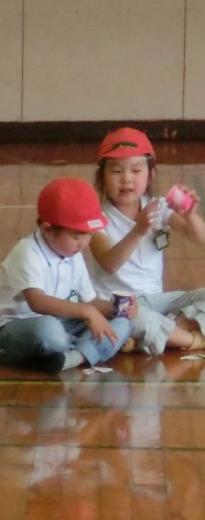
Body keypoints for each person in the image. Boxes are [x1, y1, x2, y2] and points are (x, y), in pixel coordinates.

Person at [0, 177, 135, 372]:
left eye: (89, 235)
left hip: (60, 322)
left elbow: (91, 302)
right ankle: (88, 349)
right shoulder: (27, 251)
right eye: (76, 236)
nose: (83, 243)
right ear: (47, 230)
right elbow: (37, 302)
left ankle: (72, 358)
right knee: (48, 329)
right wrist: (88, 313)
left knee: (122, 323)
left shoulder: (72, 253)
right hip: (12, 331)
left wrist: (119, 309)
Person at [86, 125, 205, 354]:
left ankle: (149, 334)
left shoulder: (158, 206)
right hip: (120, 305)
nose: (127, 179)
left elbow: (198, 237)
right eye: (116, 171)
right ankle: (188, 338)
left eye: (136, 170)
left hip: (158, 300)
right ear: (102, 177)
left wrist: (190, 216)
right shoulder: (97, 219)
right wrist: (138, 231)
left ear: (150, 174)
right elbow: (110, 263)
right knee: (136, 318)